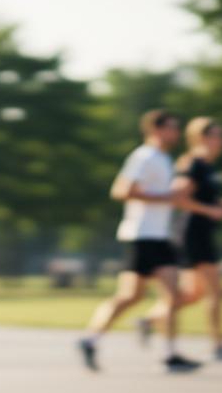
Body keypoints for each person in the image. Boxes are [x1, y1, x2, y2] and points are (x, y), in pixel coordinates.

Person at [77, 110, 203, 373]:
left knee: (137, 295)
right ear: (155, 130)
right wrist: (166, 197)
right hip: (144, 235)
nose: (176, 133)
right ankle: (169, 354)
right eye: (171, 128)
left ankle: (91, 340)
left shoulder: (164, 159)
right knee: (155, 295)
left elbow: (168, 196)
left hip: (157, 236)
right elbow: (122, 191)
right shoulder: (143, 156)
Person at [138, 117, 222, 360]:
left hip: (201, 231)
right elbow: (178, 197)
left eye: (221, 135)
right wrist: (211, 210)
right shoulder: (193, 165)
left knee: (193, 294)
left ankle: (148, 320)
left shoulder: (208, 167)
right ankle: (219, 346)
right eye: (217, 135)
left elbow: (201, 201)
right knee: (216, 292)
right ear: (201, 138)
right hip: (193, 233)